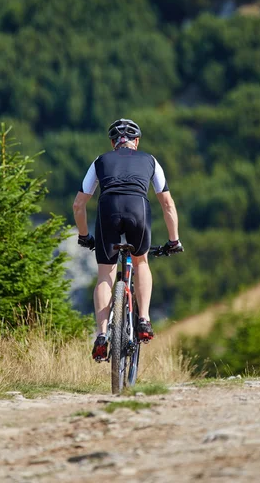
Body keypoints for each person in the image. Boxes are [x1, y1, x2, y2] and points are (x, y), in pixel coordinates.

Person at [72, 118, 183, 360]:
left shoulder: (100, 161)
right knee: (141, 261)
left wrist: (83, 236)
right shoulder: (151, 160)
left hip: (108, 210)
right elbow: (168, 204)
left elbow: (79, 205)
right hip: (138, 209)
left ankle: (101, 335)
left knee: (105, 273)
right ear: (137, 141)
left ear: (113, 143)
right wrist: (174, 240)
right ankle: (143, 319)